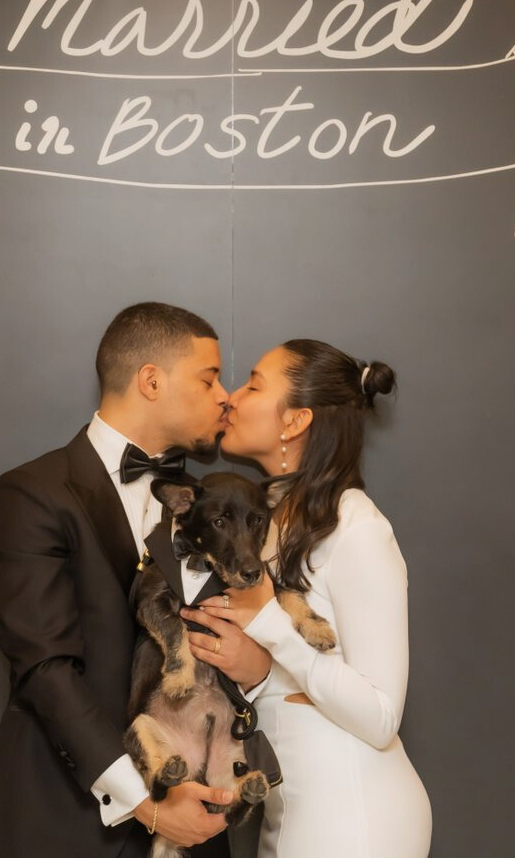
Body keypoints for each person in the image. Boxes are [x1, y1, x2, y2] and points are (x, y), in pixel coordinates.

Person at [0, 302, 264, 858]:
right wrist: (146, 803)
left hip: (199, 814)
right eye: (208, 379)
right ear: (151, 381)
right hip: (67, 820)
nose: (225, 395)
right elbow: (44, 668)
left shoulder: (214, 504)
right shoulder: (31, 494)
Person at [180, 338, 433, 858]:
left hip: (354, 819)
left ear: (294, 421)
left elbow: (381, 716)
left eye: (252, 385)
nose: (230, 398)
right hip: (291, 811)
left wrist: (271, 626)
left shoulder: (357, 528)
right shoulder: (264, 528)